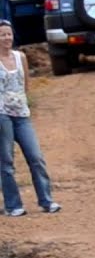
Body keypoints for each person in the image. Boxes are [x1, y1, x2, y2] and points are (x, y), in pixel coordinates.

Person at [0, 19, 60, 217]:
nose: (6, 38)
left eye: (9, 34)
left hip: (22, 113)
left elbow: (25, 84)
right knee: (7, 161)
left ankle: (46, 200)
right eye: (2, 35)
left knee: (35, 157)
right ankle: (13, 205)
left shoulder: (21, 57)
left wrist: (21, 102)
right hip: (2, 115)